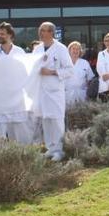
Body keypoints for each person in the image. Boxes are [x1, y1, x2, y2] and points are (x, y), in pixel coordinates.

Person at [32, 22, 73, 162]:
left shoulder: (61, 49)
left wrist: (52, 72)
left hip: (55, 91)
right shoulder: (37, 49)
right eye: (40, 30)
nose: (41, 33)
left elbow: (69, 70)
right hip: (40, 91)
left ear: (51, 32)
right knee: (46, 120)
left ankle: (59, 150)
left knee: (56, 121)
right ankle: (50, 148)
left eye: (44, 31)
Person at [0, 22, 32, 144]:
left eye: (2, 34)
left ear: (10, 35)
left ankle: (23, 157)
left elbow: (26, 74)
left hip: (17, 99)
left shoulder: (20, 52)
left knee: (19, 131)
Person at [66, 41, 94, 106]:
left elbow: (90, 78)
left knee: (81, 113)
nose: (75, 51)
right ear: (69, 51)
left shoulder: (85, 63)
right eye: (73, 49)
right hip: (67, 94)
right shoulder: (64, 62)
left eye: (77, 49)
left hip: (82, 93)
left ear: (80, 51)